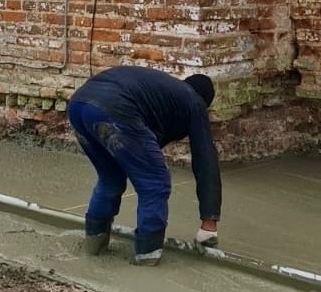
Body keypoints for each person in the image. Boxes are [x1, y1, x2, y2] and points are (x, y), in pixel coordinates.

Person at [67, 65, 221, 266]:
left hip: (79, 105)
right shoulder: (194, 101)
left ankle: (94, 246)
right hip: (115, 107)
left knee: (110, 179)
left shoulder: (163, 93)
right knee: (155, 183)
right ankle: (147, 258)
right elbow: (205, 160)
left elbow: (146, 141)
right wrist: (209, 224)